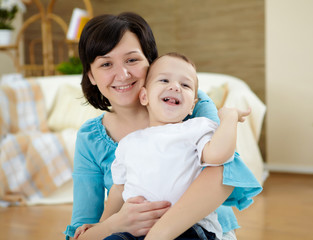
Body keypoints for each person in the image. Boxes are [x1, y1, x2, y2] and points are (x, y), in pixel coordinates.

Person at [64, 12, 262, 240]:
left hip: (197, 232)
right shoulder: (93, 138)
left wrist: (157, 234)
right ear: (91, 75)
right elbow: (83, 234)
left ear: (150, 61)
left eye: (132, 59)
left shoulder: (189, 105)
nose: (123, 74)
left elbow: (226, 172)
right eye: (106, 64)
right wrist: (115, 224)